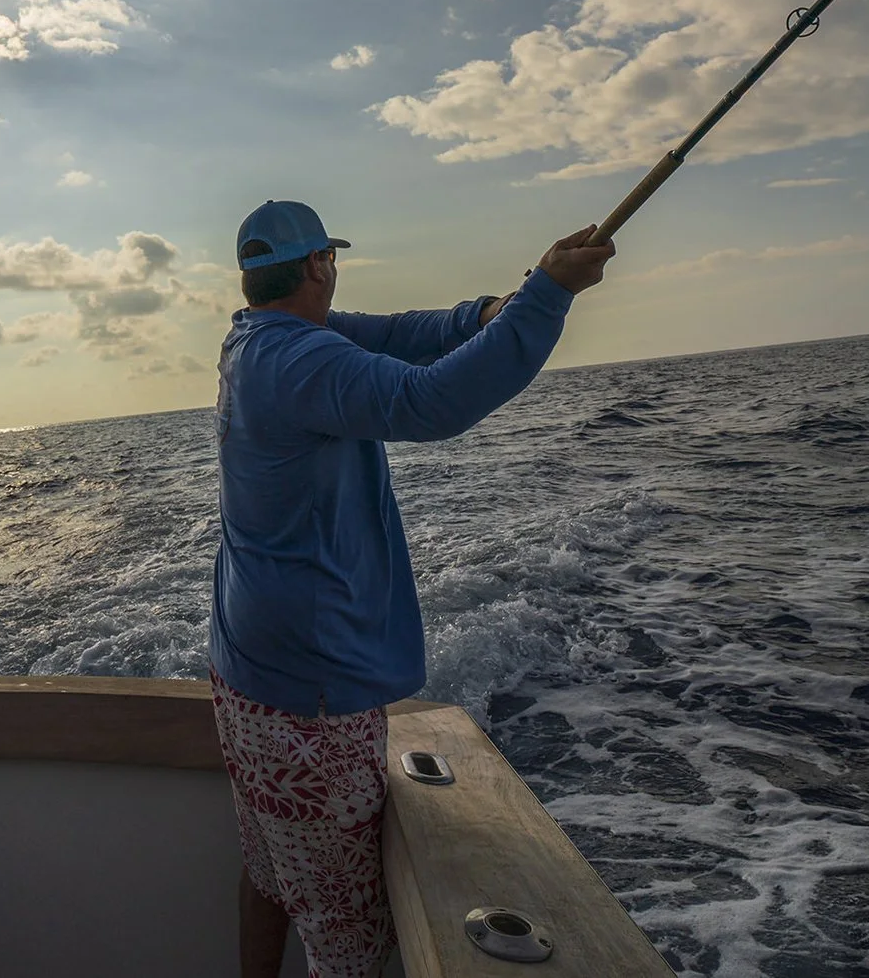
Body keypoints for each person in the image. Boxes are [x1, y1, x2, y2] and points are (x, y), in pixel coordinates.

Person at [208, 199, 614, 978]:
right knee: (348, 939)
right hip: (308, 699)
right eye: (332, 259)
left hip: (251, 675)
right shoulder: (301, 361)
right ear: (321, 264)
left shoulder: (257, 339)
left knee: (270, 876)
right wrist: (550, 298)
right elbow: (431, 401)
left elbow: (399, 335)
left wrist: (502, 306)